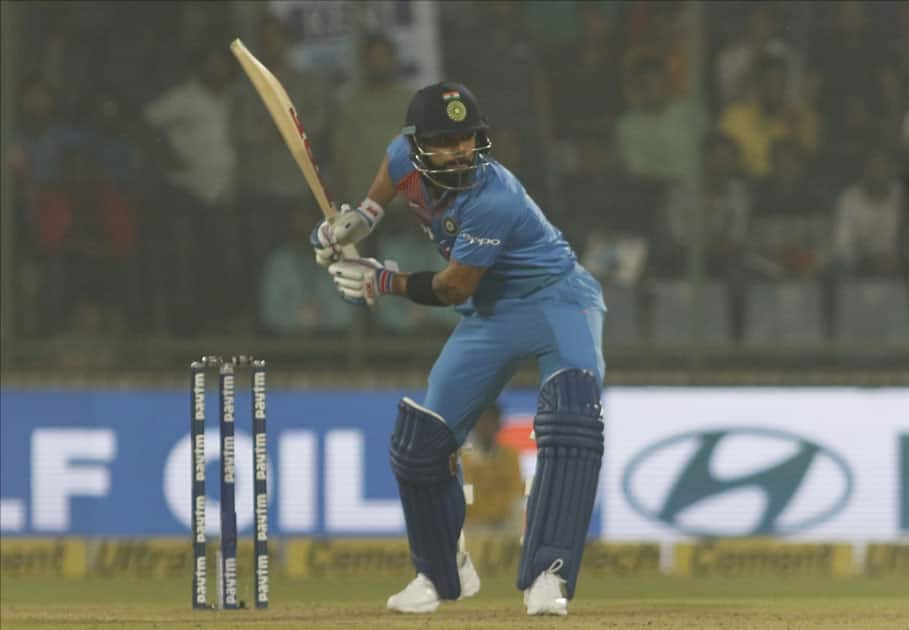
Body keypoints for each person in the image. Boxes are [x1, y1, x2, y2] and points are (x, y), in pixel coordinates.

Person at [311, 81, 606, 616]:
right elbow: (380, 195)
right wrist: (353, 224)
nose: (458, 150)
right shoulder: (401, 156)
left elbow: (452, 289)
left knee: (572, 424)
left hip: (557, 300)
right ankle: (439, 573)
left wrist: (382, 281)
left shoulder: (495, 198)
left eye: (466, 138)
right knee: (420, 443)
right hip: (491, 315)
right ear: (418, 143)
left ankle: (548, 575)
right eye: (444, 141)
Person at [460, 403, 525, 538]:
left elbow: (515, 496)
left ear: (498, 424)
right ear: (474, 424)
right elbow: (464, 499)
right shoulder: (463, 460)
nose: (486, 426)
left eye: (491, 421)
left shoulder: (510, 456)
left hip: (505, 527)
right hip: (474, 528)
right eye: (482, 421)